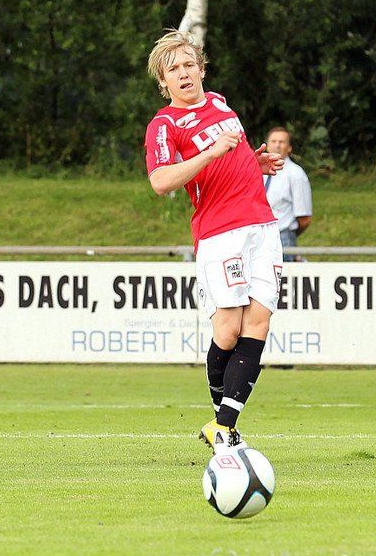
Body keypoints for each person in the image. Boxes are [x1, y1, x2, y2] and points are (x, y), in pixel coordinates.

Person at [143, 29, 284, 454]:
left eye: (189, 64)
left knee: (259, 323)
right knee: (228, 329)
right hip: (220, 233)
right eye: (174, 69)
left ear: (201, 69)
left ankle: (223, 426)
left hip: (262, 225)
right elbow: (160, 181)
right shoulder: (164, 125)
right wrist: (209, 154)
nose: (183, 73)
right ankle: (222, 425)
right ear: (164, 81)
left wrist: (252, 163)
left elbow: (230, 159)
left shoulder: (221, 103)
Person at [264, 127, 313, 262]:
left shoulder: (296, 174)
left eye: (282, 142)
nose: (277, 145)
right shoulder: (258, 172)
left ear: (289, 148)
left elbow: (304, 219)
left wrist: (288, 234)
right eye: (273, 141)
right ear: (267, 145)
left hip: (283, 238)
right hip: (259, 237)